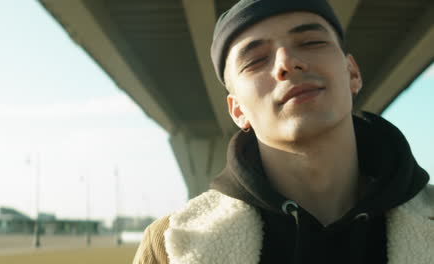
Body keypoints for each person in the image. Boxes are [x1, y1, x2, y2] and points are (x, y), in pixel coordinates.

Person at [133, 0, 434, 263]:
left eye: (311, 42)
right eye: (254, 60)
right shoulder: (170, 248)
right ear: (237, 110)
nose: (286, 63)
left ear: (352, 73)